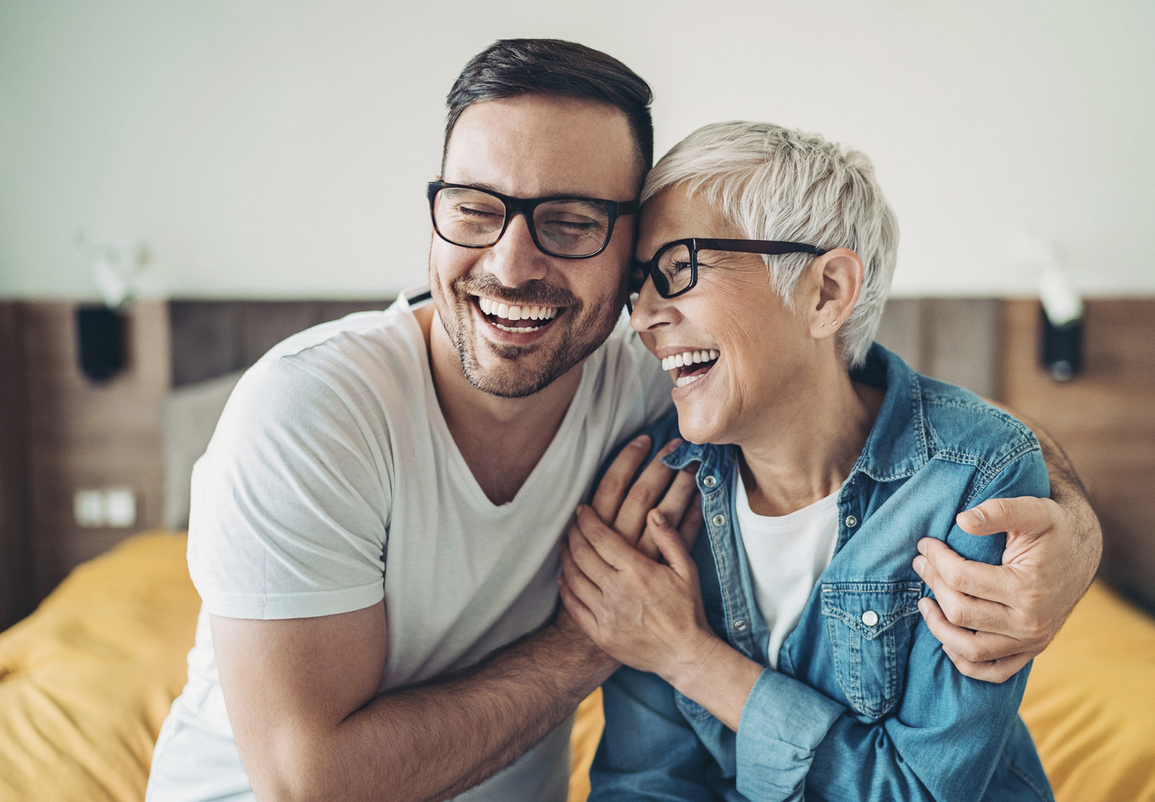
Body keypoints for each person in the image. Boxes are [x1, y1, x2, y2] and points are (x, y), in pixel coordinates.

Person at [146, 40, 1096, 802]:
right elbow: (310, 784)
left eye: (570, 223)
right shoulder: (313, 411)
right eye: (474, 211)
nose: (513, 265)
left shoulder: (671, 403)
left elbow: (939, 437)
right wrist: (603, 638)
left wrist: (1075, 533)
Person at [560, 122, 1056, 800]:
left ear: (826, 293)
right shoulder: (658, 486)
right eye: (638, 284)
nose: (643, 315)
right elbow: (648, 784)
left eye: (678, 269)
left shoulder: (973, 480)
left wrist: (691, 658)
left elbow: (916, 791)